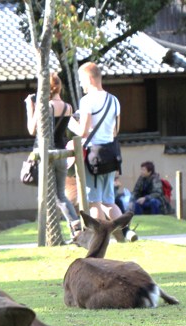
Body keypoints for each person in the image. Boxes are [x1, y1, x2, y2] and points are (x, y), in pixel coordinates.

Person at [70, 62, 137, 242]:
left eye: (82, 80)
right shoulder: (114, 100)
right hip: (110, 154)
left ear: (90, 79)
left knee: (94, 202)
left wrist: (71, 123)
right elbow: (115, 130)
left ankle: (99, 239)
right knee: (109, 201)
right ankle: (126, 233)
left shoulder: (87, 101)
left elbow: (83, 132)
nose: (81, 85)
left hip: (93, 157)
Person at [25, 73, 82, 238]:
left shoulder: (45, 106)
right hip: (62, 153)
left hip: (46, 154)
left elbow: (32, 129)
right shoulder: (68, 107)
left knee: (47, 196)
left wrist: (30, 107)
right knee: (60, 195)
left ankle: (56, 230)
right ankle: (74, 224)